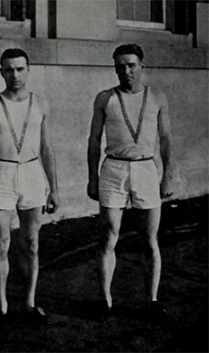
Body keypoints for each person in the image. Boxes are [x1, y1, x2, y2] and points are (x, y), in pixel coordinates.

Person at [87, 43, 175, 320]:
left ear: (141, 66)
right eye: (120, 66)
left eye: (131, 65)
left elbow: (166, 140)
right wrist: (92, 178)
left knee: (149, 239)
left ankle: (152, 300)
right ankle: (105, 301)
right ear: (115, 68)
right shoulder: (105, 98)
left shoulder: (157, 97)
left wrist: (168, 175)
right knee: (108, 236)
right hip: (113, 169)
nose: (126, 70)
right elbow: (93, 140)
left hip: (146, 169)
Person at [0, 48, 59, 325]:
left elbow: (46, 148)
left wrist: (53, 188)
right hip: (0, 172)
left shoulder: (40, 103)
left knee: (31, 243)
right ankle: (1, 307)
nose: (15, 75)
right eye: (9, 69)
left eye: (20, 69)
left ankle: (30, 304)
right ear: (1, 72)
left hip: (32, 172)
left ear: (28, 69)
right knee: (1, 242)